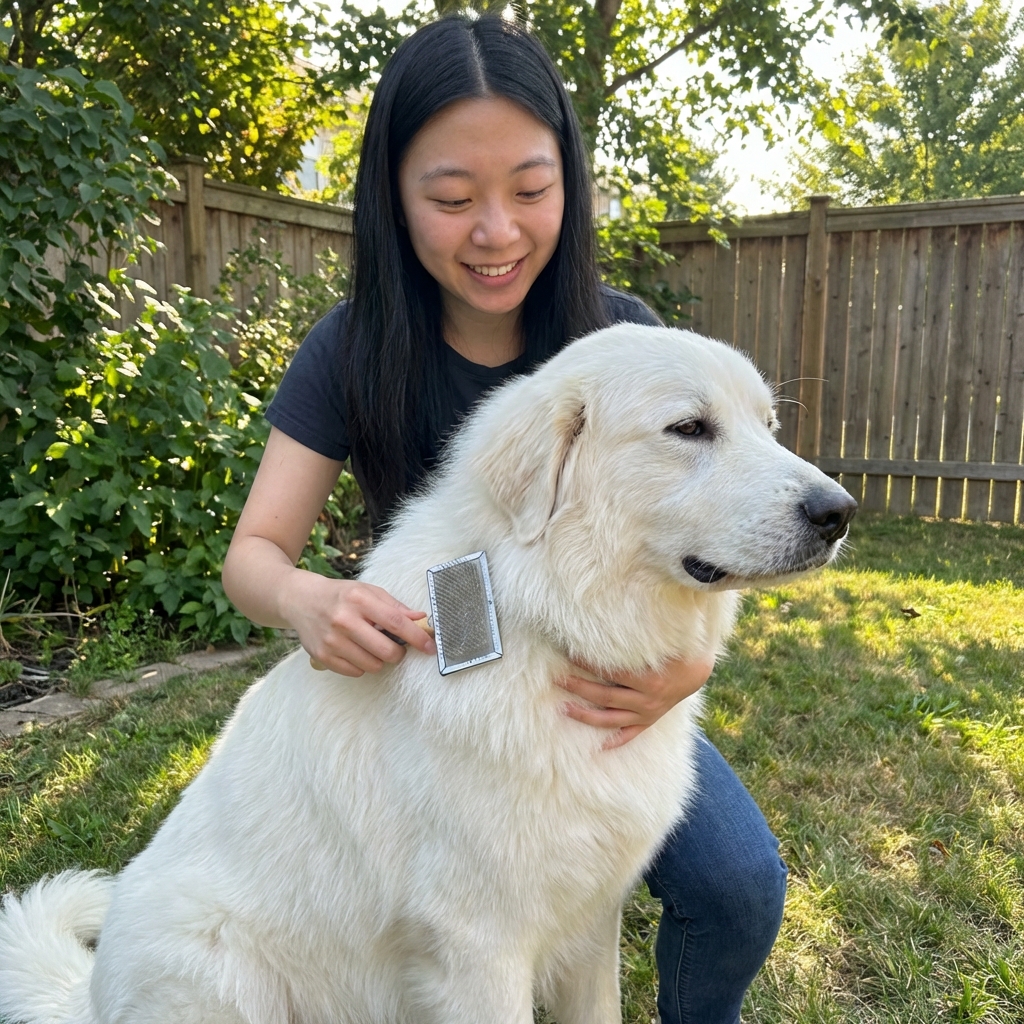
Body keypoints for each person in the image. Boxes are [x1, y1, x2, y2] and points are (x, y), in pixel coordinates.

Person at [222, 15, 786, 1023]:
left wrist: (691, 666)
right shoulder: (352, 347)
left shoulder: (628, 343)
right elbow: (255, 553)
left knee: (735, 880)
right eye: (451, 197)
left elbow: (710, 532)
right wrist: (308, 601)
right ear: (393, 197)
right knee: (479, 913)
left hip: (606, 685)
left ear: (568, 183)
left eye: (530, 189)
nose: (496, 231)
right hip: (446, 686)